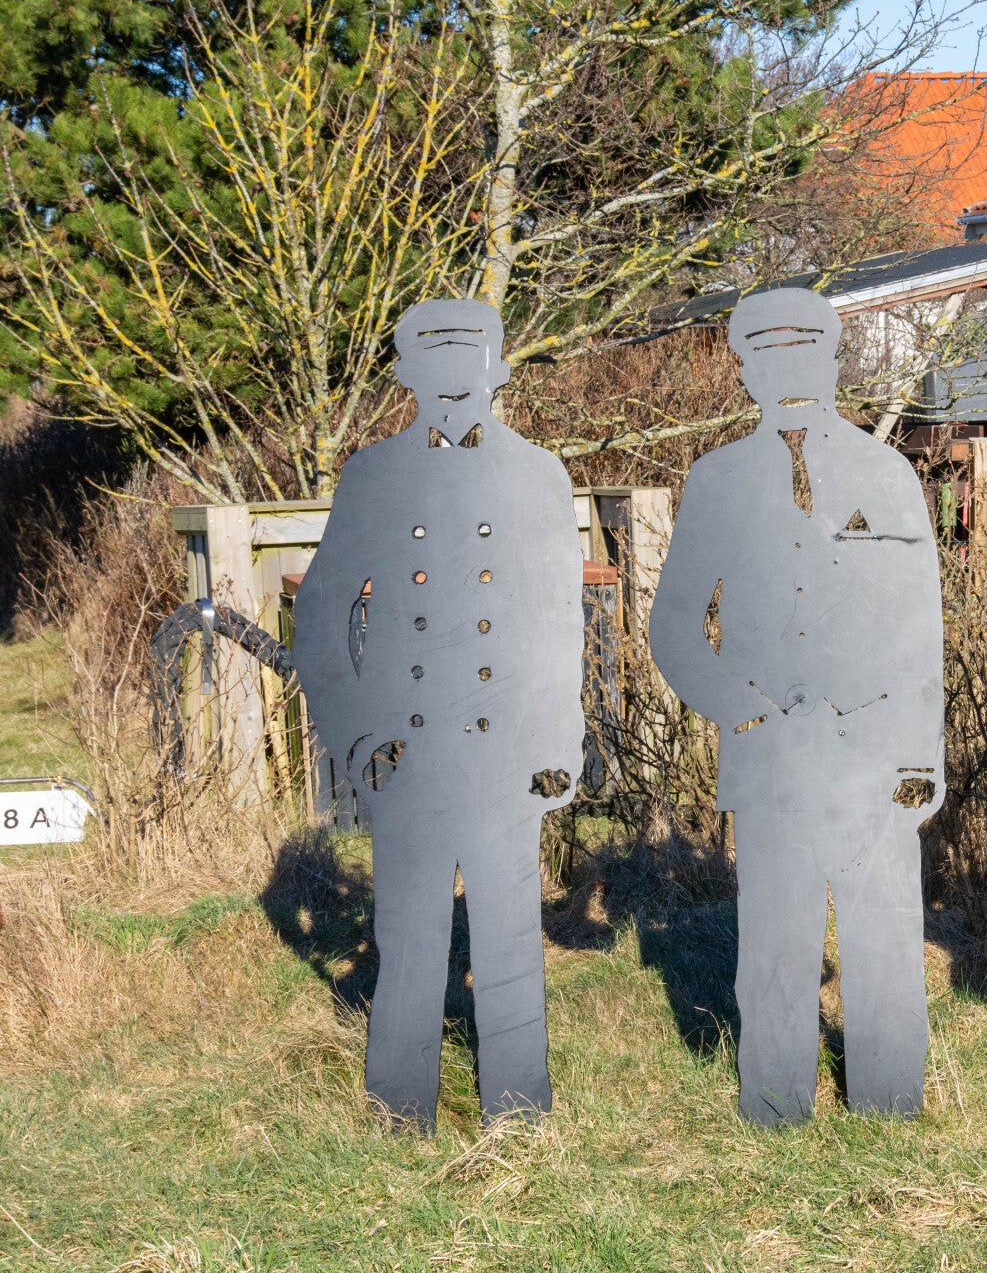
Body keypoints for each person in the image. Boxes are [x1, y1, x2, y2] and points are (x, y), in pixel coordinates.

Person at [649, 287, 945, 1125]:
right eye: (766, 356)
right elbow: (673, 625)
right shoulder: (718, 481)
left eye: (805, 352)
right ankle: (776, 1106)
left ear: (832, 361)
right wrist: (737, 708)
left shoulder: (887, 474)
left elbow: (920, 628)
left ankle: (889, 1106)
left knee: (884, 937)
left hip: (874, 754)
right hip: (771, 758)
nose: (787, 371)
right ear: (745, 371)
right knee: (776, 944)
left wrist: (921, 756)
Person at [293, 299, 584, 1131]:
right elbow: (321, 613)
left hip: (504, 753)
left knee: (509, 937)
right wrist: (356, 734)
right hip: (409, 755)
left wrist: (557, 740)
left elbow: (557, 620)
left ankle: (519, 1121)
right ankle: (398, 1114)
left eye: (469, 361)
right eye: (435, 362)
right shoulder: (374, 475)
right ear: (408, 376)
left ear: (496, 372)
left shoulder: (537, 473)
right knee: (410, 938)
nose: (454, 384)